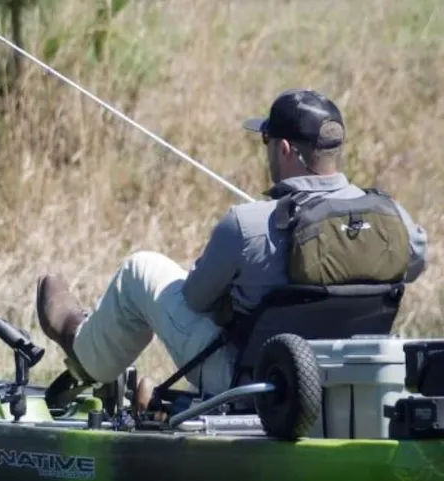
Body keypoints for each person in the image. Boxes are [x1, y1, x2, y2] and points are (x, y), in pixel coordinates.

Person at [35, 88, 429, 402]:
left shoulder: (246, 224)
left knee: (141, 269)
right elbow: (413, 264)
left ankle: (84, 349)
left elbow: (194, 299)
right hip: (347, 384)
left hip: (250, 381)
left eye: (267, 142)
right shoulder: (394, 220)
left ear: (285, 149)